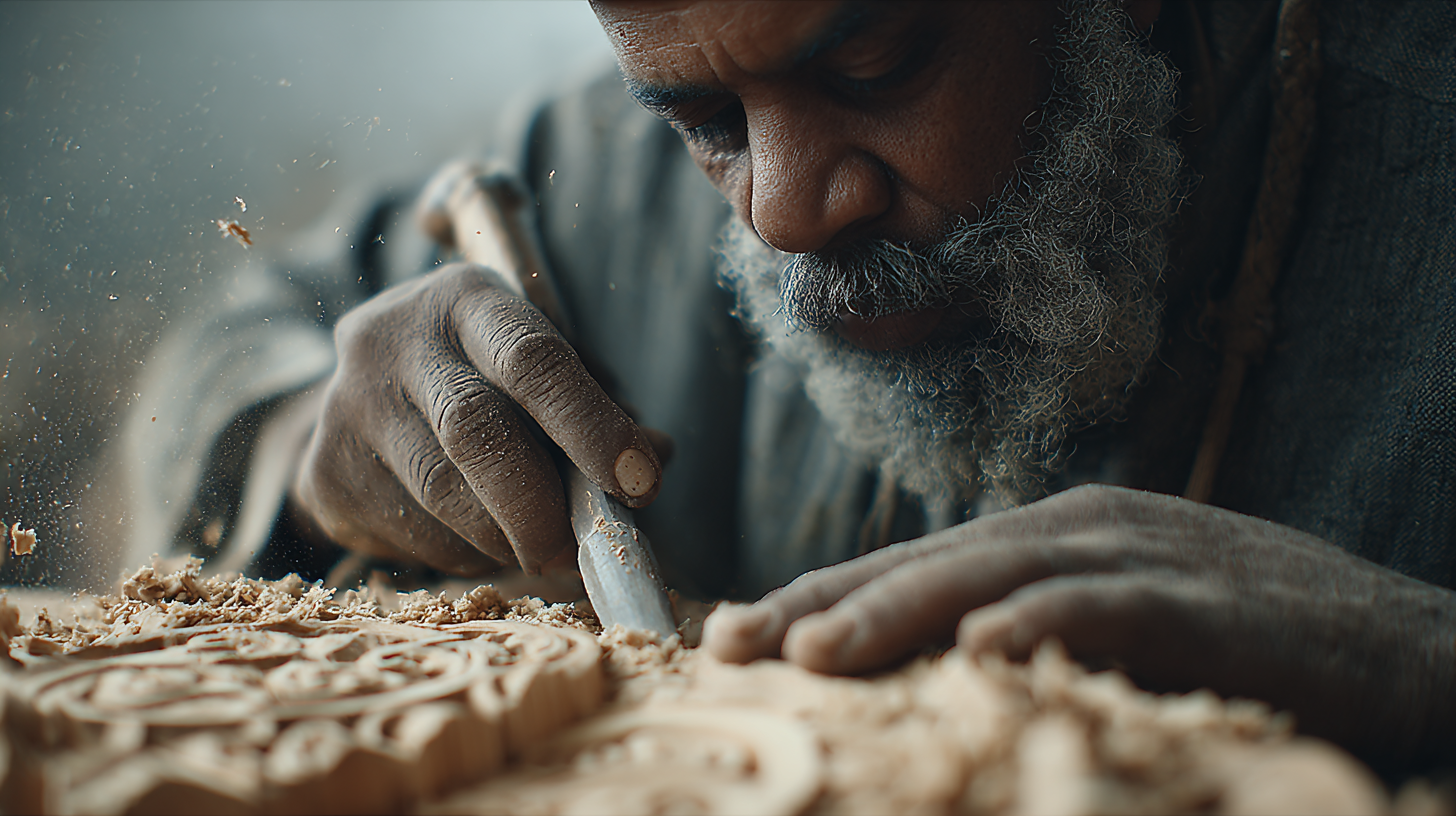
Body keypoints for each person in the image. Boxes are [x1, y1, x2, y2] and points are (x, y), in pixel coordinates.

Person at [124, 0, 1456, 774]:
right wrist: (309, 436)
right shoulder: (600, 169)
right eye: (706, 129)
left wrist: (1415, 658)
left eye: (873, 68)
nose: (783, 209)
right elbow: (230, 346)